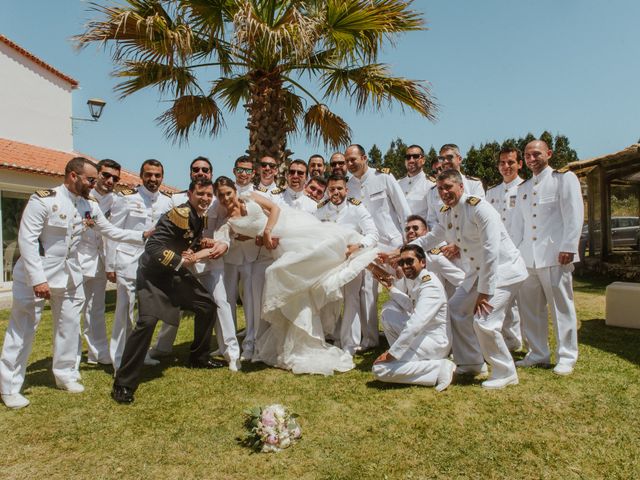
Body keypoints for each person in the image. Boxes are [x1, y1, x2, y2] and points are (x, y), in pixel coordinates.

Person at [0, 157, 148, 409]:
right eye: (91, 179)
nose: (95, 183)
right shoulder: (44, 200)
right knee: (24, 328)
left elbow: (109, 230)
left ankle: (66, 373)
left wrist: (143, 235)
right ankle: (9, 385)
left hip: (69, 273)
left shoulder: (88, 204)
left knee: (69, 325)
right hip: (36, 274)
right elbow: (27, 241)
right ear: (72, 176)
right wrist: (38, 279)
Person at [214, 176, 379, 375]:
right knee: (293, 283)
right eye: (221, 195)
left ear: (234, 190)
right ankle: (301, 339)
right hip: (278, 246)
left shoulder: (250, 196)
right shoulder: (229, 223)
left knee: (325, 245)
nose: (226, 198)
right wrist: (262, 239)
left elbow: (275, 209)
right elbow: (252, 238)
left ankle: (365, 252)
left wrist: (267, 231)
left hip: (289, 226)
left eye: (228, 193)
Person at [406, 170, 528, 389]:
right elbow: (434, 236)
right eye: (441, 189)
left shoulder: (479, 208)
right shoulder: (447, 212)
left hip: (503, 270)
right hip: (477, 272)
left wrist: (485, 291)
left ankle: (505, 371)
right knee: (454, 309)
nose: (444, 193)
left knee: (485, 322)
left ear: (461, 187)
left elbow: (492, 251)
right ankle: (472, 362)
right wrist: (406, 250)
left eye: (448, 188)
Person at [111, 179, 229, 404]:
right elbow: (153, 247)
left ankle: (199, 357)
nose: (205, 199)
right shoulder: (179, 214)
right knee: (146, 323)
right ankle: (123, 383)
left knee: (206, 305)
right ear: (190, 193)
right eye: (201, 194)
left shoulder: (197, 215)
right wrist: (180, 261)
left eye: (208, 195)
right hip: (154, 276)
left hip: (172, 274)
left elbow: (185, 241)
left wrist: (201, 244)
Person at [149, 157, 239, 371]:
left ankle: (231, 353)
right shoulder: (176, 200)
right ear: (190, 174)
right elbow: (166, 233)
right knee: (174, 305)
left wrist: (223, 244)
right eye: (196, 169)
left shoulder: (219, 199)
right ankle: (162, 347)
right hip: (183, 260)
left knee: (221, 303)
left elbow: (229, 228)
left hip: (211, 260)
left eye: (205, 170)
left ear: (211, 172)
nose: (201, 172)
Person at [511, 140, 584, 376]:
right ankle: (538, 352)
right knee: (530, 309)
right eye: (527, 155)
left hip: (555, 255)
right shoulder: (523, 188)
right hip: (527, 258)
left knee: (561, 307)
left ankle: (567, 356)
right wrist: (514, 256)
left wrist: (569, 246)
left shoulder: (563, 179)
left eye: (536, 154)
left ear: (548, 154)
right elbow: (517, 227)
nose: (532, 158)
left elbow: (574, 214)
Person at [105, 159, 173, 369]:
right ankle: (119, 360)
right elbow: (111, 233)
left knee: (147, 313)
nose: (153, 179)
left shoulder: (167, 202)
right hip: (128, 261)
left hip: (154, 265)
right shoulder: (126, 199)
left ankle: (142, 354)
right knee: (125, 314)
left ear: (162, 177)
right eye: (149, 175)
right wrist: (110, 265)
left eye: (157, 175)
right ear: (141, 176)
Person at [346, 144, 411, 349]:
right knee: (367, 291)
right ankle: (370, 339)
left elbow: (403, 210)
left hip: (393, 243)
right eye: (347, 160)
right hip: (367, 245)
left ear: (364, 158)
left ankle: (405, 334)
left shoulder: (383, 177)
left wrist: (407, 244)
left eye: (353, 159)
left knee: (401, 288)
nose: (349, 164)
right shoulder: (348, 185)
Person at [372, 245, 455, 391]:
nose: (405, 266)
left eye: (410, 261)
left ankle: (439, 367)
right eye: (402, 262)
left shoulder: (430, 286)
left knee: (380, 369)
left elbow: (415, 324)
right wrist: (390, 287)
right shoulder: (420, 279)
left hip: (435, 343)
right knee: (388, 315)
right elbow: (411, 306)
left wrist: (393, 354)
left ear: (422, 262)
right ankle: (406, 360)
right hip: (424, 336)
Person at [315, 174, 379, 354]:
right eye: (332, 189)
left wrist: (358, 246)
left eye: (339, 189)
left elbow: (373, 234)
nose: (336, 192)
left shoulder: (356, 208)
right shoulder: (320, 209)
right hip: (328, 262)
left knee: (351, 300)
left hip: (351, 260)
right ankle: (333, 337)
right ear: (328, 190)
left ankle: (350, 344)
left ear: (346, 190)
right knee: (328, 299)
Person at [77, 158, 121, 365]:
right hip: (77, 259)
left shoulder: (118, 201)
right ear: (97, 175)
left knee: (96, 308)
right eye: (106, 175)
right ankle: (72, 354)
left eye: (115, 178)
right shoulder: (83, 196)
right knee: (72, 310)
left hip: (100, 261)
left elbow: (113, 235)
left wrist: (111, 265)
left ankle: (98, 352)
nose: (110, 181)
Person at [486, 146, 525, 351]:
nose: (506, 166)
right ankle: (510, 339)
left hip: (520, 252)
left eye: (510, 162)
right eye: (502, 163)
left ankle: (525, 341)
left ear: (519, 164)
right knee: (504, 302)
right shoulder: (492, 192)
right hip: (499, 255)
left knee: (524, 303)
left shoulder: (525, 188)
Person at [403, 215, 464, 298]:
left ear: (426, 232)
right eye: (407, 229)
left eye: (415, 228)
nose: (410, 231)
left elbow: (462, 281)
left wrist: (453, 306)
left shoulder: (434, 257)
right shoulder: (402, 258)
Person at [426, 144, 484, 229]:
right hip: (443, 240)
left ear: (459, 159)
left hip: (469, 239)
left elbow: (479, 215)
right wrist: (443, 242)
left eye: (449, 157)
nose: (445, 162)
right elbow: (432, 221)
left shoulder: (474, 185)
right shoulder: (432, 191)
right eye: (442, 159)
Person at [398, 144, 434, 220]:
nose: (411, 160)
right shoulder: (398, 184)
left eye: (415, 156)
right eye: (408, 157)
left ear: (423, 160)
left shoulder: (431, 185)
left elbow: (433, 217)